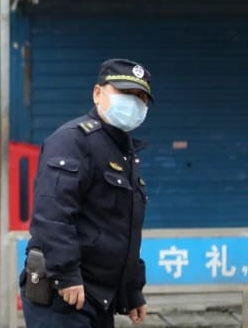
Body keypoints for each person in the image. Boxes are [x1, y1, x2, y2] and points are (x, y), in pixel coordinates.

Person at [20, 58, 154, 328]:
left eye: (140, 97)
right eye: (125, 93)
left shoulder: (125, 153)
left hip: (99, 296)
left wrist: (132, 290)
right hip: (65, 296)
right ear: (97, 93)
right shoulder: (72, 141)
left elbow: (122, 229)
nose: (133, 103)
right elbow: (52, 214)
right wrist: (67, 274)